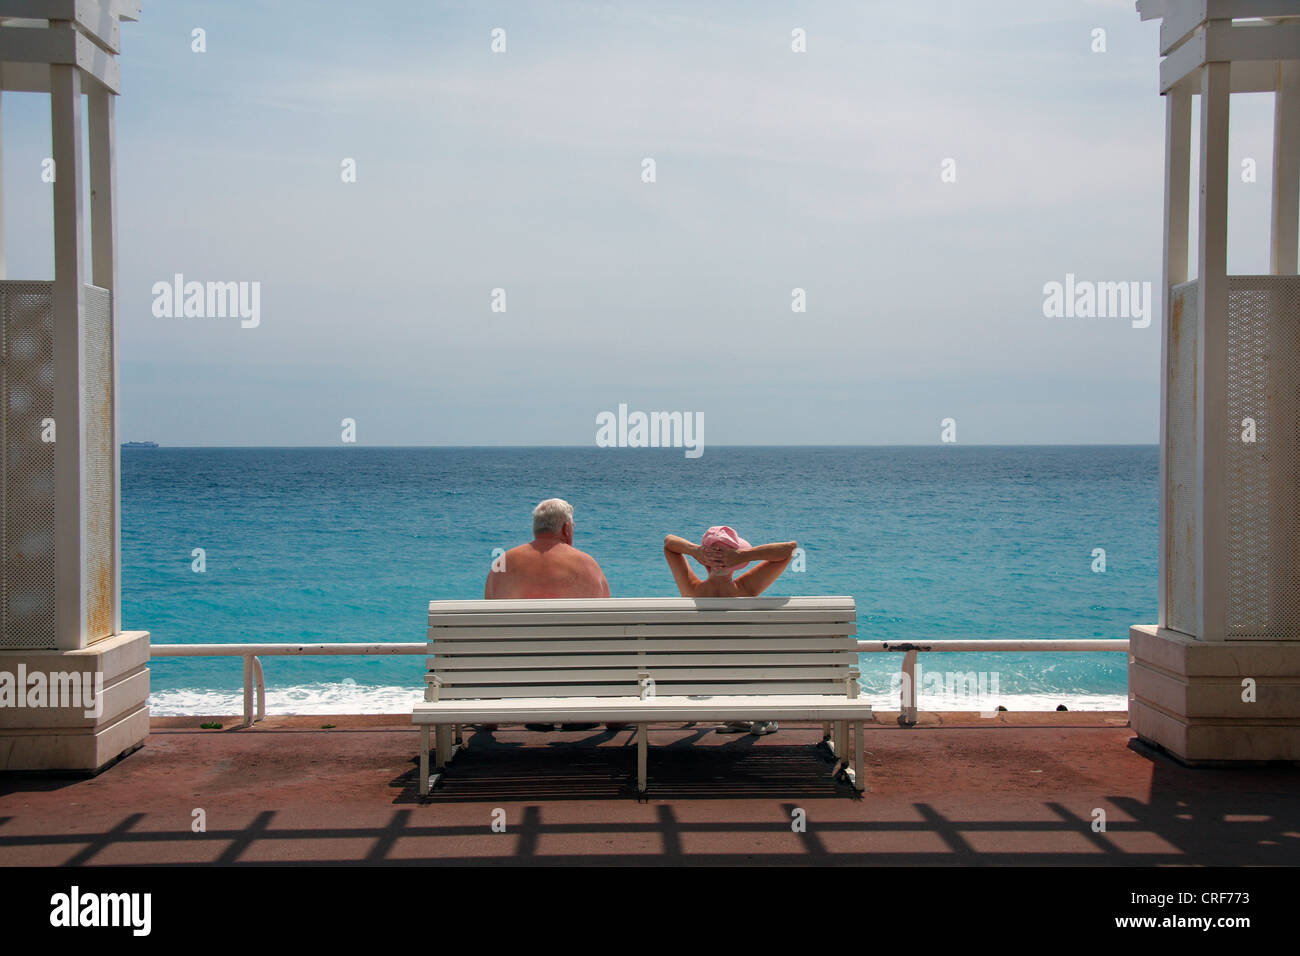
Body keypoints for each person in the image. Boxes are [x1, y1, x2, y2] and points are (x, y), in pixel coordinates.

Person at [483, 498, 619, 732]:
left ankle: (505, 713)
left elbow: (488, 622)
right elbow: (605, 624)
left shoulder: (501, 564)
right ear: (566, 529)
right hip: (578, 671)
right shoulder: (588, 565)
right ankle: (600, 714)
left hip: (517, 671)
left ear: (536, 528)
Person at [663, 525, 798, 735]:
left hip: (699, 678)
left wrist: (695, 551)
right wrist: (744, 555)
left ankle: (736, 719)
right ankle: (761, 717)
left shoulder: (691, 589)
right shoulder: (746, 589)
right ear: (737, 564)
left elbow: (669, 544)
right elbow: (789, 550)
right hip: (743, 676)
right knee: (751, 653)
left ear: (704, 562)